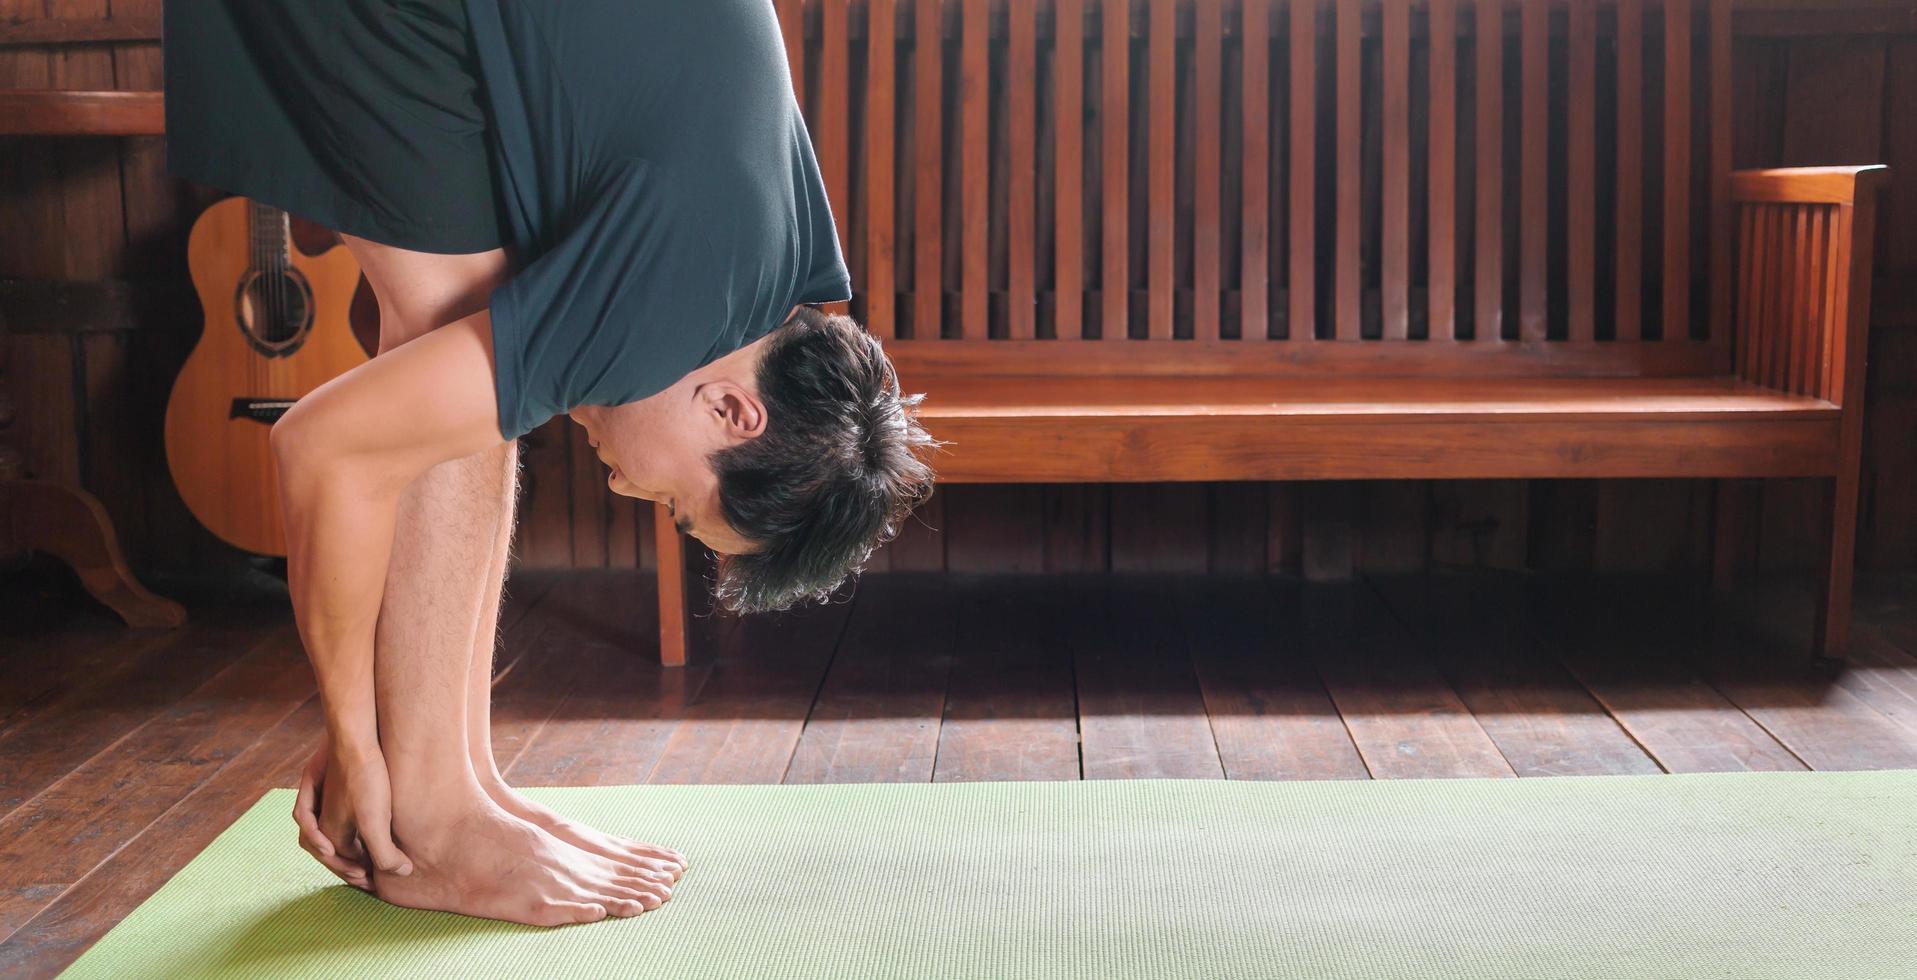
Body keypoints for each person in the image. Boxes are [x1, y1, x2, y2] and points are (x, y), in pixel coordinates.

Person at [164, 0, 938, 926]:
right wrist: (356, 739)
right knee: (446, 332)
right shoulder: (662, 305)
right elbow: (322, 445)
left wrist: (397, 726)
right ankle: (431, 816)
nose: (622, 487)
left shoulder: (777, 269)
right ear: (734, 410)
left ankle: (459, 784)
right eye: (676, 503)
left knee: (470, 355)